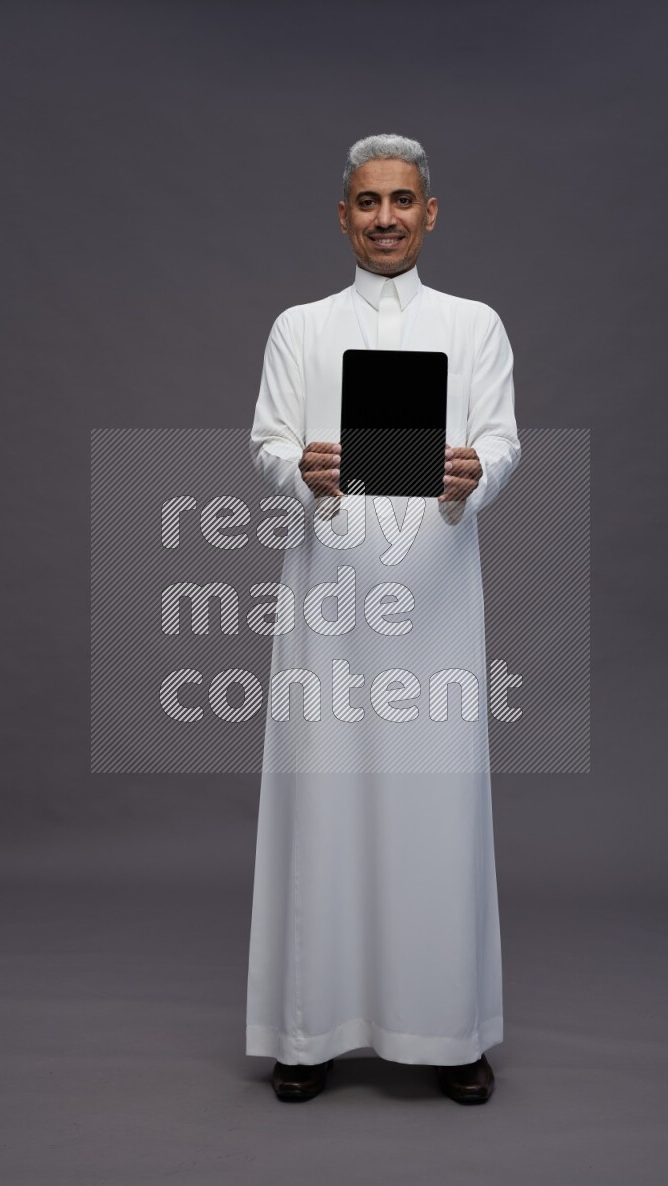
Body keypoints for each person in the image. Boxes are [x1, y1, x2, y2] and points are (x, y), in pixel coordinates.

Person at [245, 134, 521, 1104]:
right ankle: (308, 1027)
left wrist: (477, 470)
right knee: (323, 800)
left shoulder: (473, 325)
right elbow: (268, 439)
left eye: (402, 200)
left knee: (436, 807)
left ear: (429, 212)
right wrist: (298, 468)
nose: (386, 217)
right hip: (329, 600)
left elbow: (500, 437)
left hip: (436, 602)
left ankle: (448, 1031)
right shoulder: (301, 327)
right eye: (367, 203)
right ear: (342, 216)